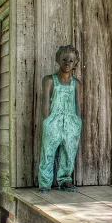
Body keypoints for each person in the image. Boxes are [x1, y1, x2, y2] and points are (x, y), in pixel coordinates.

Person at [38, 45, 82, 193]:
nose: (67, 63)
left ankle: (65, 180)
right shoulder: (49, 80)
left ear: (75, 63)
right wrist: (48, 120)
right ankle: (45, 182)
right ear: (57, 59)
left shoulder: (76, 83)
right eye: (64, 59)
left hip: (71, 122)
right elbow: (45, 103)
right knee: (48, 151)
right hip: (53, 121)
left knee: (69, 152)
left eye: (71, 60)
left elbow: (78, 104)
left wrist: (77, 122)